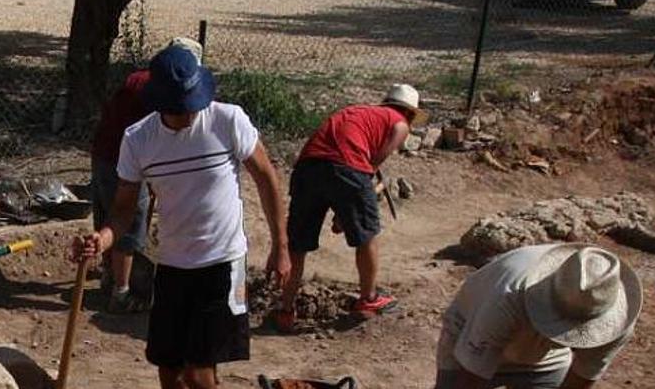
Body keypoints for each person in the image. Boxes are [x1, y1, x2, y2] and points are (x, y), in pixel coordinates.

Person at [71, 44, 291, 389]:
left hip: (222, 263)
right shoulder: (138, 139)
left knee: (199, 374)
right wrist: (103, 240)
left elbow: (266, 178)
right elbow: (124, 209)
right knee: (168, 369)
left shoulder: (227, 120)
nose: (190, 112)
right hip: (173, 266)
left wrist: (281, 245)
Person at [275, 84, 428, 332]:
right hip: (348, 168)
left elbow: (336, 154)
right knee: (366, 236)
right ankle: (368, 299)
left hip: (307, 168)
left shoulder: (358, 112)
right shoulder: (400, 123)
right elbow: (371, 163)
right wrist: (347, 214)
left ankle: (285, 310)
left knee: (298, 244)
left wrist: (342, 211)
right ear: (410, 112)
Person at [89, 37, 202, 313]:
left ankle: (109, 276)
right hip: (123, 160)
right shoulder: (165, 94)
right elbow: (162, 135)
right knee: (128, 227)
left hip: (102, 151)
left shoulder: (139, 78)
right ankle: (121, 292)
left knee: (107, 217)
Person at [434, 243, 643, 389]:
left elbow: (581, 380)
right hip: (470, 330)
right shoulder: (507, 296)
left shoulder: (616, 321)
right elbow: (471, 378)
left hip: (546, 356)